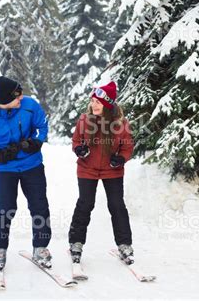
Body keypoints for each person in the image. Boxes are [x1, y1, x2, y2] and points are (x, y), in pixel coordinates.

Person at [0, 76, 52, 270]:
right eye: (17, 96)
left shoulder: (30, 105)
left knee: (39, 205)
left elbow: (42, 127)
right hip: (5, 168)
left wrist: (37, 142)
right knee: (6, 207)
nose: (21, 98)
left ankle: (40, 247)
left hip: (32, 164)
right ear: (4, 100)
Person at [68, 81, 135, 265]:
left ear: (107, 104)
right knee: (85, 203)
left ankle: (124, 244)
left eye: (97, 102)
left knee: (116, 205)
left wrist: (121, 158)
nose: (93, 105)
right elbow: (75, 142)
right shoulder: (84, 120)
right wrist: (79, 150)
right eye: (92, 101)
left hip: (112, 171)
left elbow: (127, 147)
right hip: (87, 168)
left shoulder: (120, 123)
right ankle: (76, 242)